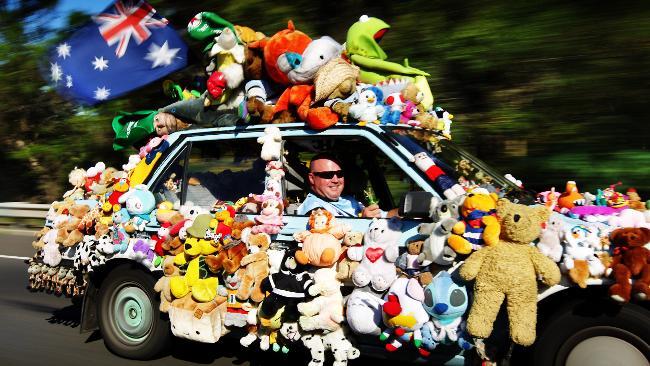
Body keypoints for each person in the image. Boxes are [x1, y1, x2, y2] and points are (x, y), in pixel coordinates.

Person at [297, 153, 398, 218]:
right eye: (327, 175)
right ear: (311, 178)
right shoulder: (315, 209)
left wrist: (404, 211)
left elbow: (386, 215)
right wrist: (364, 221)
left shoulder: (348, 200)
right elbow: (331, 238)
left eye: (340, 174)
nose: (336, 180)